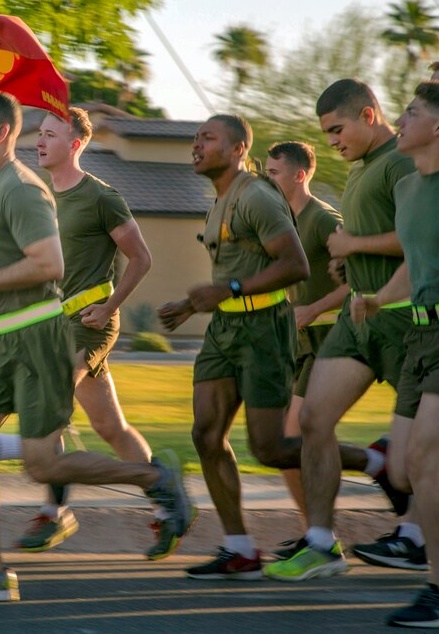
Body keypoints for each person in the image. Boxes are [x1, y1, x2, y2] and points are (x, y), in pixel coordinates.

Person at [0, 91, 193, 602]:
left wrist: (110, 306)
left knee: (42, 463)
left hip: (45, 338)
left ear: (1, 132)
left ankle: (151, 478)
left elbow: (51, 266)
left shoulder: (28, 191)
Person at [3, 107, 175, 557]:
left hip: (90, 322)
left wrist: (110, 306)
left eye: (50, 135)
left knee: (48, 408)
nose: (39, 142)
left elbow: (141, 258)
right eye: (39, 134)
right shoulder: (36, 195)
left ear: (75, 144)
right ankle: (167, 506)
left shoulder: (102, 197)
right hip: (49, 324)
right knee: (110, 426)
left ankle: (55, 514)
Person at [264, 79, 417, 582]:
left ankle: (414, 526)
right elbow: (370, 242)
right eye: (326, 132)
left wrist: (352, 246)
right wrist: (350, 268)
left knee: (416, 458)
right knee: (310, 422)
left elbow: (421, 241)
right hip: (358, 319)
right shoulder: (361, 170)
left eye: (337, 128)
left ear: (369, 115)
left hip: (404, 319)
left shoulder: (401, 162)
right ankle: (322, 542)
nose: (331, 140)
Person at [159, 115, 309, 580]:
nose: (196, 145)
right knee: (206, 435)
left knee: (270, 447)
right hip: (225, 329)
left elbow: (295, 265)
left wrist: (230, 288)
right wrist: (191, 304)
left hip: (265, 328)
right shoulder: (220, 200)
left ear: (239, 147)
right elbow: (230, 276)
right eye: (195, 138)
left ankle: (377, 461)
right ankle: (240, 548)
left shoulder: (258, 196)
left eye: (207, 138)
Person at [353, 80, 439, 627]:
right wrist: (379, 298)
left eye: (411, 112)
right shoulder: (408, 189)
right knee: (406, 470)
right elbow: (416, 261)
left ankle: (437, 590)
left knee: (428, 462)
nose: (400, 120)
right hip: (419, 335)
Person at [263, 141, 347, 553]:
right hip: (294, 343)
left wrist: (313, 308)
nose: (268, 179)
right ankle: (314, 532)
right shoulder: (279, 221)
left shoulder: (323, 220)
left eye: (274, 172)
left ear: (299, 174)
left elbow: (360, 278)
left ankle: (323, 538)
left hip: (329, 340)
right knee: (283, 442)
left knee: (296, 433)